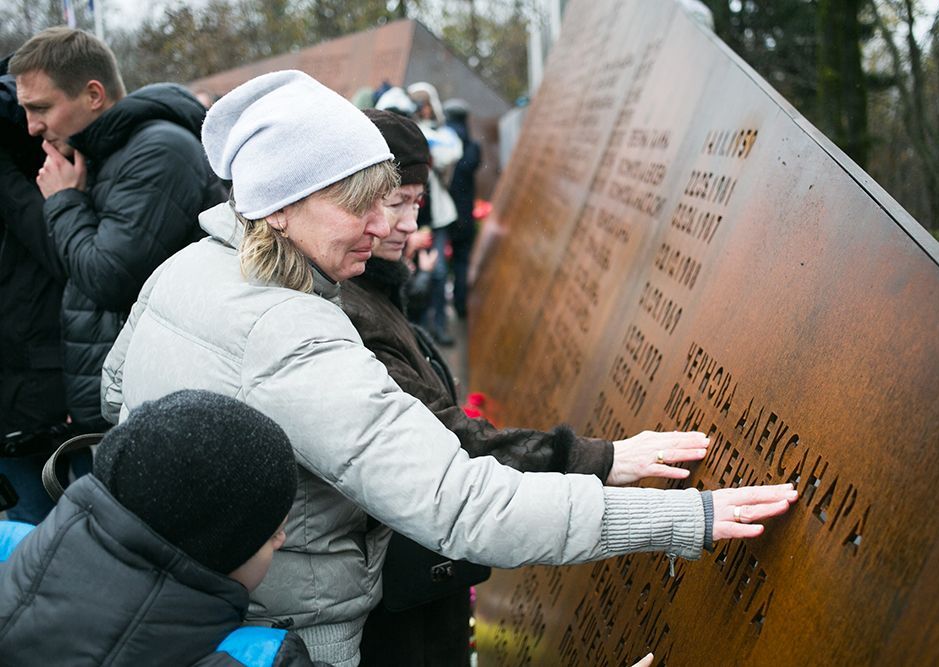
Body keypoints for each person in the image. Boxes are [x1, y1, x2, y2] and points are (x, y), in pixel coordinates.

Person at [100, 70, 797, 666]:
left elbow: (116, 396)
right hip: (301, 636)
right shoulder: (292, 333)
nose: (385, 226)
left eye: (389, 198)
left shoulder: (185, 269)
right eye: (358, 203)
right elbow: (463, 504)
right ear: (280, 206)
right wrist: (687, 517)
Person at [347, 110, 713, 666]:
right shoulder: (351, 311)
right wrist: (596, 459)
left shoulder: (376, 291)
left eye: (416, 203)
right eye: (395, 201)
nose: (405, 223)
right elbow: (441, 444)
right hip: (390, 606)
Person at [0, 390, 323, 666]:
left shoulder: (11, 549)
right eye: (270, 534)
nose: (282, 539)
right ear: (217, 552)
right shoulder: (254, 657)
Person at [10, 27, 226, 432]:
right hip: (122, 404)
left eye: (40, 108)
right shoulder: (100, 154)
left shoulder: (158, 151)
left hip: (158, 409)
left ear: (94, 95)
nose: (31, 127)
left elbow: (108, 277)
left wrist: (62, 201)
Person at [0, 61, 86, 525]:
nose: (38, 123)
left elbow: (65, 257)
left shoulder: (36, 163)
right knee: (30, 546)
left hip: (50, 389)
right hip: (18, 399)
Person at [408, 81, 463, 345]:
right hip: (411, 215)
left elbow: (447, 157)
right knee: (414, 274)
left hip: (436, 214)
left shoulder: (442, 134)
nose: (423, 109)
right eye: (419, 104)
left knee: (438, 272)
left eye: (426, 103)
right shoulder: (410, 131)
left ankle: (438, 325)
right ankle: (420, 330)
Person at [442, 98, 481, 320]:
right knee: (461, 260)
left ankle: (435, 311)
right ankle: (460, 304)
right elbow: (471, 167)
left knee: (435, 261)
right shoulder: (472, 146)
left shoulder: (441, 144)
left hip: (442, 213)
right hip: (464, 212)